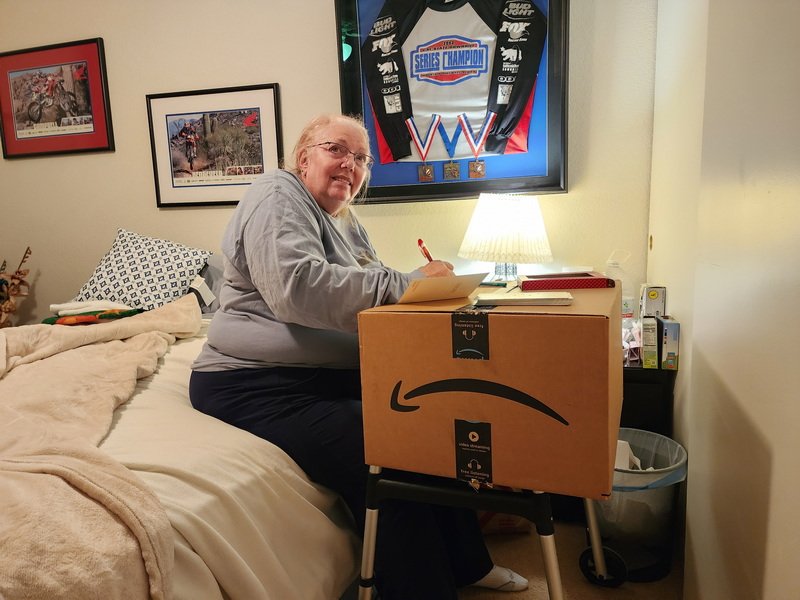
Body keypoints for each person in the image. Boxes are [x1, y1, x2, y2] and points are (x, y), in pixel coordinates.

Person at [189, 113, 528, 599]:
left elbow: (371, 288)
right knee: (384, 446)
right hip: (252, 382)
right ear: (303, 158)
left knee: (430, 413)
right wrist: (409, 283)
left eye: (362, 158)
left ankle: (467, 563)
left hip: (321, 374)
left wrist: (424, 286)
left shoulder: (345, 221)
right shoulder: (276, 194)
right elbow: (298, 290)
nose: (351, 164)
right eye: (337, 149)